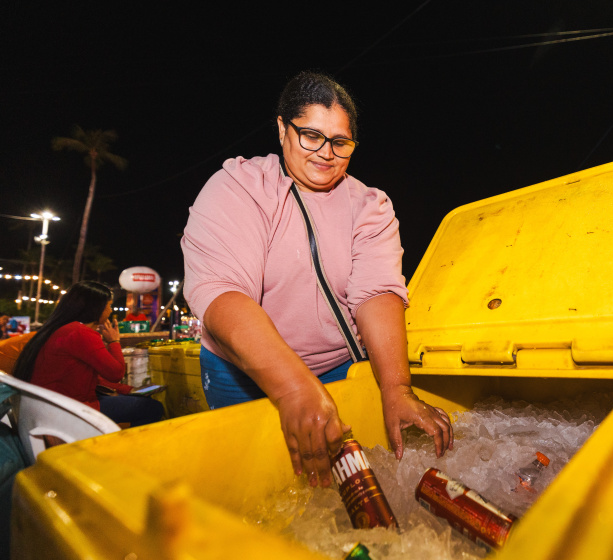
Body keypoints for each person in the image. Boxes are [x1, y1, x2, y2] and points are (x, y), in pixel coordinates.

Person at [182, 71, 453, 488]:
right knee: (267, 486)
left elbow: (377, 293)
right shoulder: (238, 188)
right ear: (281, 128)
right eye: (311, 135)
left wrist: (396, 387)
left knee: (338, 490)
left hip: (336, 368)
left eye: (340, 142)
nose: (326, 153)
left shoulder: (370, 205)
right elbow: (221, 291)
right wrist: (292, 388)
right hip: (239, 374)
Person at [11, 281, 164, 428]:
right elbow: (116, 373)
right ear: (96, 308)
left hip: (49, 405)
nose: (111, 311)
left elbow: (89, 377)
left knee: (138, 399)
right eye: (109, 306)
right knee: (153, 408)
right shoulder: (81, 333)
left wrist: (127, 389)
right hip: (68, 408)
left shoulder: (63, 329)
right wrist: (114, 341)